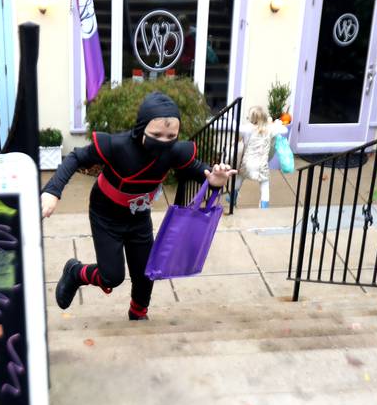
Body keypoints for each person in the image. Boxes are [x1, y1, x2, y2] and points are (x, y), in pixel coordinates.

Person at [40, 92, 236, 321]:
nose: (164, 141)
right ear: (141, 128)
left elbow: (199, 170)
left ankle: (138, 313)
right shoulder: (116, 146)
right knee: (111, 276)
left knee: (146, 272)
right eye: (156, 134)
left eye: (170, 135)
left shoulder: (175, 152)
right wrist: (53, 191)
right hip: (105, 214)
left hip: (138, 216)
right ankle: (75, 272)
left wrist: (214, 181)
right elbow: (75, 157)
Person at [233, 105, 271, 209]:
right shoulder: (268, 130)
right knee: (265, 183)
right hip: (262, 164)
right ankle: (264, 205)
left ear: (251, 119)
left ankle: (232, 197)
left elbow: (239, 138)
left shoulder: (247, 129)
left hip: (248, 162)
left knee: (240, 177)